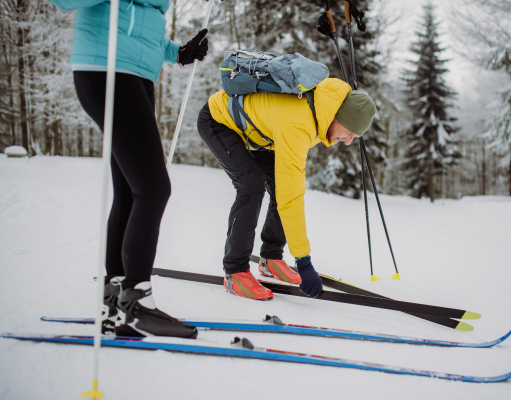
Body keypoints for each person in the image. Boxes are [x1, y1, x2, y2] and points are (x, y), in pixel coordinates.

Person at [50, 0, 210, 338]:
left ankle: (116, 293)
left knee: (130, 188)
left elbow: (139, 27)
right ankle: (137, 303)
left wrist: (179, 53)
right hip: (105, 69)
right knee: (153, 189)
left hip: (139, 77)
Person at [198, 77, 376, 300]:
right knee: (252, 187)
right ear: (339, 117)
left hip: (258, 132)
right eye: (349, 133)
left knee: (278, 184)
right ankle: (235, 271)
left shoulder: (322, 111)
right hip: (220, 121)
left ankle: (271, 257)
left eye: (354, 138)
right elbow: (290, 196)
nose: (348, 141)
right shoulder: (300, 124)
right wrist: (304, 261)